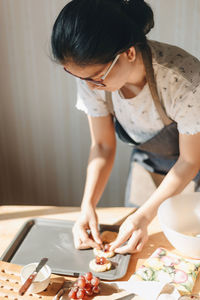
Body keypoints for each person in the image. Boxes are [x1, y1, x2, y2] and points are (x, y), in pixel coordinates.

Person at [51, 0, 200, 254]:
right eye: (78, 77)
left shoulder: (185, 81)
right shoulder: (92, 76)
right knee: (136, 248)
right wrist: (87, 205)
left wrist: (146, 215)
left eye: (96, 78)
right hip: (145, 162)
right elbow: (102, 145)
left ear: (129, 53)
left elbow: (189, 161)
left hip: (192, 167)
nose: (89, 87)